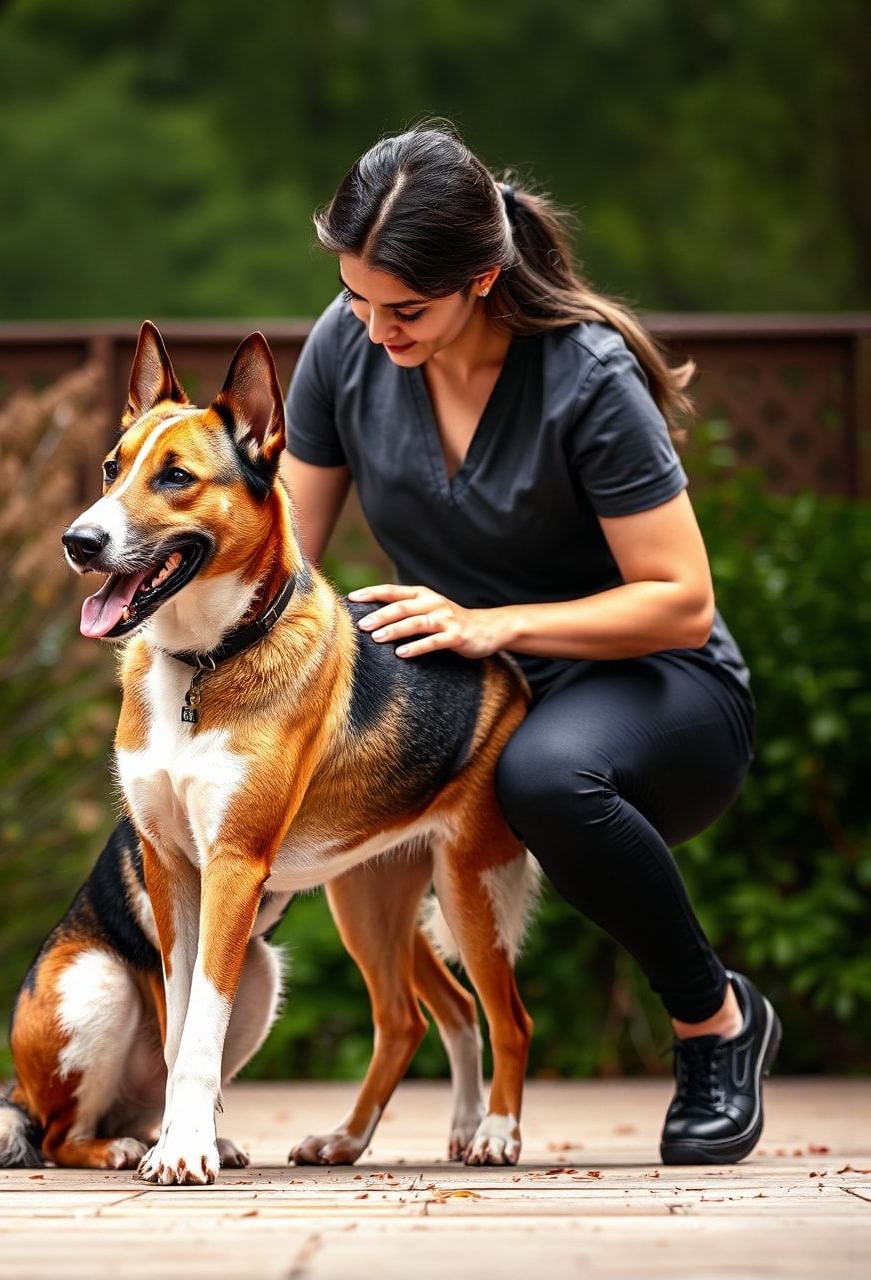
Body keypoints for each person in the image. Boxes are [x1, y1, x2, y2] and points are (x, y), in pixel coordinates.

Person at [280, 121, 780, 1166]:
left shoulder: (584, 374)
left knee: (544, 773)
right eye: (355, 298)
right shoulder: (346, 340)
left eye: (403, 308)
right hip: (470, 695)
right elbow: (282, 562)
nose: (372, 330)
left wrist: (488, 623)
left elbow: (679, 599)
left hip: (652, 686)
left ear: (481, 276)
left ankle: (714, 1021)